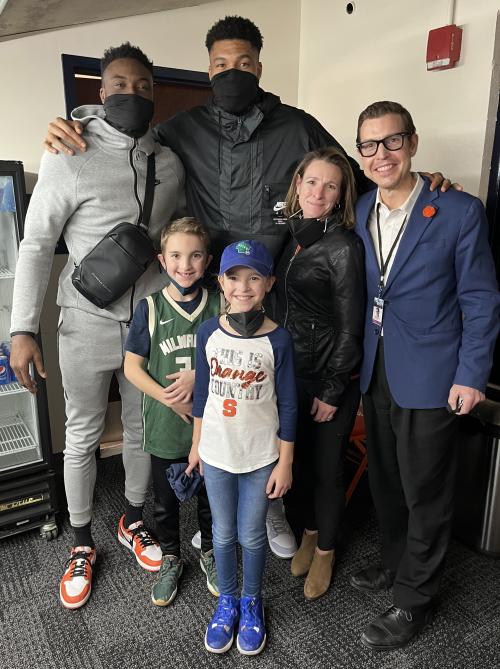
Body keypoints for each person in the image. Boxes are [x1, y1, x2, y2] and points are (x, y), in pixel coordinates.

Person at [42, 15, 452, 560]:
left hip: (276, 294)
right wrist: (72, 124)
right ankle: (215, 516)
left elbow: (354, 177)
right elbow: (125, 145)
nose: (232, 73)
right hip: (208, 293)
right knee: (217, 402)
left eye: (243, 64)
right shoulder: (180, 129)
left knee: (265, 405)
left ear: (259, 66)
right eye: (220, 65)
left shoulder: (298, 125)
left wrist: (422, 187)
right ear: (207, 68)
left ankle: (272, 507)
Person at [10, 43, 185, 610]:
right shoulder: (70, 152)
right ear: (99, 92)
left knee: (141, 428)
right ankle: (81, 542)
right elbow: (36, 244)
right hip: (85, 319)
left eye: (141, 86)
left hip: (149, 324)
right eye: (118, 85)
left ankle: (131, 518)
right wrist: (22, 329)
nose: (130, 94)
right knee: (83, 434)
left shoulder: (171, 160)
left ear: (153, 94)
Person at [350, 100, 500, 650]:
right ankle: (397, 565)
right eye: (369, 145)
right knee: (386, 479)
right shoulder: (361, 207)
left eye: (392, 141)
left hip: (435, 372)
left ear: (413, 143)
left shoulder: (458, 210)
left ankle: (414, 599)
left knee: (426, 488)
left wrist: (471, 375)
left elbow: (480, 299)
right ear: (360, 153)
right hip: (376, 365)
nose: (381, 153)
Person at [186, 240, 297, 655]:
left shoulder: (278, 340)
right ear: (221, 283)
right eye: (234, 277)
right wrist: (196, 445)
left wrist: (285, 462)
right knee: (223, 532)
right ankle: (227, 600)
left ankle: (252, 601)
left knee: (252, 535)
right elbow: (201, 396)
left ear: (268, 284)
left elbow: (288, 404)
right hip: (216, 453)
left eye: (254, 278)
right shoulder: (208, 333)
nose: (243, 287)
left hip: (259, 458)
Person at [271, 147, 365, 600]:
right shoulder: (293, 234)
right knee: (300, 463)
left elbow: (351, 328)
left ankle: (326, 549)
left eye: (331, 185)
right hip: (292, 374)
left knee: (327, 471)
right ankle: (308, 533)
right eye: (312, 182)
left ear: (341, 193)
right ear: (298, 182)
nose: (318, 192)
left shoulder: (343, 246)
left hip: (331, 379)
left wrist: (332, 389)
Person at [124, 217, 222, 606]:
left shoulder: (220, 303)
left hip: (213, 424)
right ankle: (170, 556)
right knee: (165, 503)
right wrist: (166, 397)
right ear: (162, 260)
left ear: (207, 260)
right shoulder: (149, 308)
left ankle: (210, 553)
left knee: (211, 498)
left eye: (195, 255)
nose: (186, 264)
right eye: (177, 255)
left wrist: (201, 376)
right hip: (166, 426)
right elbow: (132, 367)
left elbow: (236, 355)